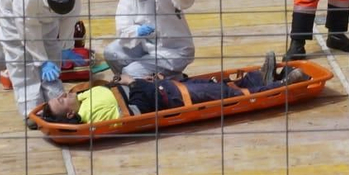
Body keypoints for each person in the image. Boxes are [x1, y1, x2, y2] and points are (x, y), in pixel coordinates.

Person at [43, 54, 310, 123]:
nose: (63, 94)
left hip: (165, 86)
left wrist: (135, 81)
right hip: (170, 99)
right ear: (70, 114)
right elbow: (137, 113)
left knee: (219, 85)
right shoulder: (91, 116)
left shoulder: (82, 94)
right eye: (61, 101)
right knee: (226, 96)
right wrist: (133, 83)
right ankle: (282, 85)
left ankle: (259, 79)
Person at [0, 0, 80, 117]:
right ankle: (32, 110)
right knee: (21, 57)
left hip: (42, 6)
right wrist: (42, 60)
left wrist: (66, 46)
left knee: (51, 47)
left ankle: (56, 102)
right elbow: (27, 31)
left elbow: (70, 19)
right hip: (11, 3)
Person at [103, 0, 196, 79]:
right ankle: (137, 84)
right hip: (147, 46)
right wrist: (137, 31)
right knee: (112, 53)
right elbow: (122, 30)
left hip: (175, 51)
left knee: (130, 72)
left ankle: (155, 79)